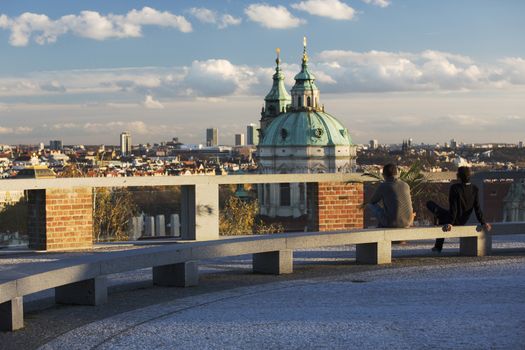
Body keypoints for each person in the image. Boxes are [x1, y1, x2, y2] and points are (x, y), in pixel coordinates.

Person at [426, 166, 491, 252]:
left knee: (430, 204)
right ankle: (438, 247)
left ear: (458, 176)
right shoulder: (474, 189)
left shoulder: (455, 188)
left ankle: (438, 247)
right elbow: (477, 208)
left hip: (452, 219)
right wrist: (483, 222)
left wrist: (450, 223)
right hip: (463, 220)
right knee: (442, 219)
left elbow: (454, 208)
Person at [365, 163, 414, 228]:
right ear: (397, 174)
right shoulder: (406, 185)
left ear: (384, 175)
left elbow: (373, 201)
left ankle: (382, 224)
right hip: (408, 222)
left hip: (392, 223)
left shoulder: (384, 186)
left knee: (371, 204)